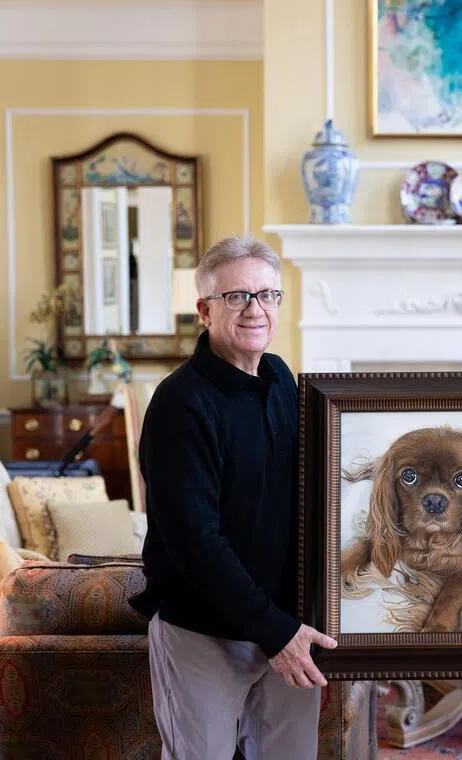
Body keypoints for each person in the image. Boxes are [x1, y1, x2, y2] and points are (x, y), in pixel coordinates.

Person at [129, 236, 337, 760]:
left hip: (287, 624)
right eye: (237, 296)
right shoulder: (179, 404)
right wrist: (274, 631)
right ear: (204, 311)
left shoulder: (282, 379)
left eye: (268, 295)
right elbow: (194, 542)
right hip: (203, 632)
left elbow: (314, 496)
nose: (255, 309)